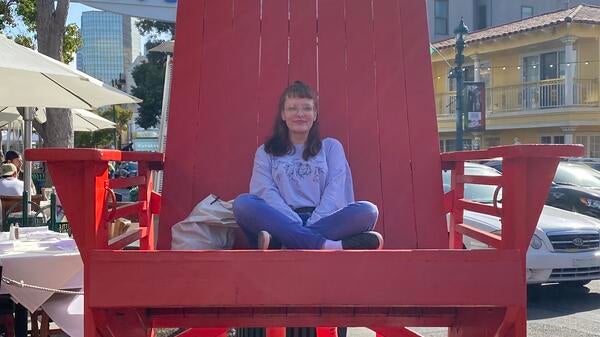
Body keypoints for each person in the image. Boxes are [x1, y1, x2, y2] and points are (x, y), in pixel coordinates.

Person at [233, 81, 383, 250]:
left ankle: (284, 242)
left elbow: (336, 188)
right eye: (292, 108)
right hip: (280, 219)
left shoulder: (331, 147)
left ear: (315, 114)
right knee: (243, 204)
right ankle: (327, 245)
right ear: (283, 114)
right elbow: (264, 191)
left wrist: (312, 221)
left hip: (323, 220)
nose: (300, 114)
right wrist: (291, 221)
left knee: (369, 211)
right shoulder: (266, 152)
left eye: (306, 108)